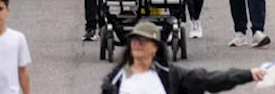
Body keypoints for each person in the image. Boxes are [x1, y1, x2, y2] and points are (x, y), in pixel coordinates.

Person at [100, 19, 264, 94]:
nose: (137, 44)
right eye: (134, 40)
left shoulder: (170, 75)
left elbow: (209, 79)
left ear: (155, 47)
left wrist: (247, 74)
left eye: (143, 41)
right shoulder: (116, 79)